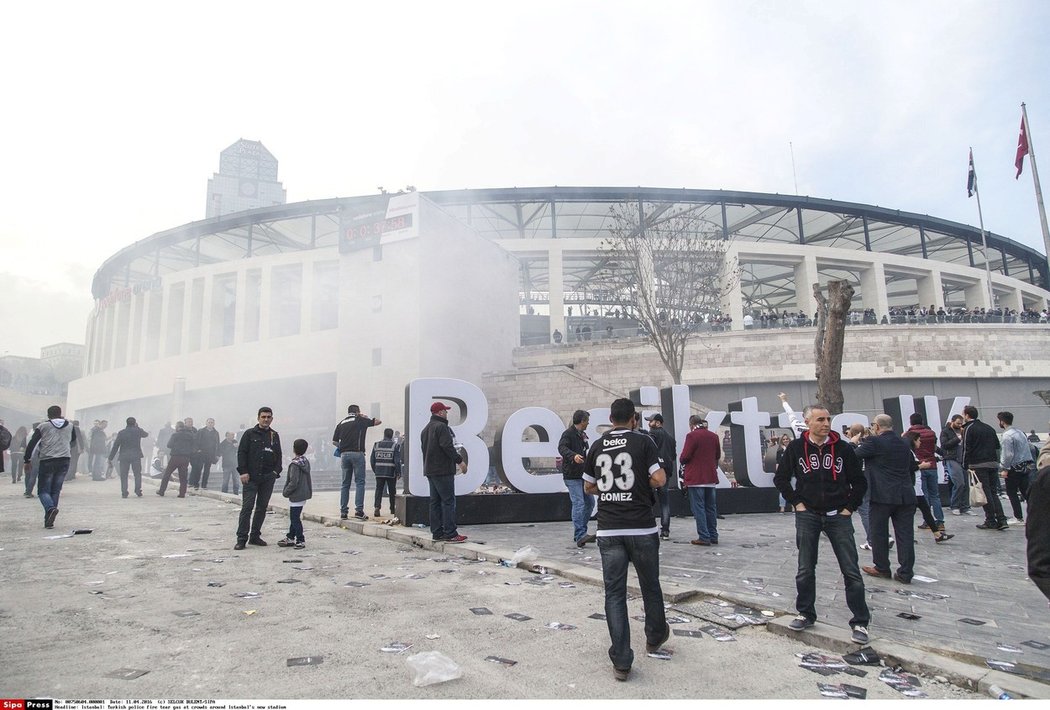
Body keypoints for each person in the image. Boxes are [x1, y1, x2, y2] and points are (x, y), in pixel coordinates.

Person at [582, 398, 669, 682]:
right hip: (641, 528)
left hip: (609, 530)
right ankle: (655, 636)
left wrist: (610, 492)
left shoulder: (596, 445)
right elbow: (659, 478)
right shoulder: (644, 442)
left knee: (615, 595)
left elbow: (588, 486)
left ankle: (621, 660)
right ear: (634, 419)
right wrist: (638, 486)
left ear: (610, 418)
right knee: (650, 585)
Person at [773, 403, 869, 645]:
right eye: (820, 420)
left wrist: (849, 508)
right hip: (808, 514)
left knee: (851, 569)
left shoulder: (844, 449)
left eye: (828, 419)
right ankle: (805, 612)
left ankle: (860, 621)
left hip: (839, 514)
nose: (826, 424)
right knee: (805, 567)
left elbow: (859, 481)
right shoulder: (796, 448)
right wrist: (797, 503)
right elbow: (781, 478)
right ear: (808, 422)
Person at [857, 415, 920, 585]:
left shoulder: (874, 442)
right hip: (905, 494)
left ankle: (882, 567)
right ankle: (906, 572)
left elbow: (854, 455)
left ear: (877, 426)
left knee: (879, 532)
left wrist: (855, 441)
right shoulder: (904, 442)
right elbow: (910, 465)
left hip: (882, 495)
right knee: (905, 535)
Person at [235, 407, 283, 549]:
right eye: (263, 417)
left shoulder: (274, 435)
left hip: (268, 478)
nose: (266, 419)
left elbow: (278, 454)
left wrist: (276, 472)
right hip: (251, 477)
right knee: (247, 507)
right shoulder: (249, 434)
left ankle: (255, 536)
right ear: (258, 418)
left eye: (268, 417)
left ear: (272, 419)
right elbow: (241, 453)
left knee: (261, 508)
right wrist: (243, 471)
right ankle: (241, 538)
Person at [23, 405, 77, 529]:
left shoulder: (43, 426)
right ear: (60, 413)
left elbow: (32, 444)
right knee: (55, 490)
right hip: (64, 460)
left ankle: (50, 508)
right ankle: (49, 520)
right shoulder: (70, 426)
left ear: (48, 415)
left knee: (43, 490)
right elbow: (73, 441)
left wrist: (27, 460)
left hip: (47, 460)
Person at [421, 401, 466, 542]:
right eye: (445, 411)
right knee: (448, 501)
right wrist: (460, 461)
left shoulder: (426, 429)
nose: (447, 413)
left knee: (434, 502)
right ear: (440, 412)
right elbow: (447, 446)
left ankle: (437, 532)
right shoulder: (441, 427)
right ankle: (451, 533)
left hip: (430, 470)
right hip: (443, 470)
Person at [332, 405, 382, 520]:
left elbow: (334, 441)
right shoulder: (360, 420)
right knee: (360, 482)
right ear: (357, 411)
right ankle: (359, 511)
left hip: (344, 455)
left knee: (345, 484)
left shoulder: (341, 423)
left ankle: (343, 512)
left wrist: (343, 446)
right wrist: (364, 416)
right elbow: (378, 422)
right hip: (357, 454)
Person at [962, 405, 1006, 530]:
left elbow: (966, 448)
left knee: (985, 493)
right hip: (992, 463)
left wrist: (964, 465)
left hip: (978, 465)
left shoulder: (968, 429)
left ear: (967, 415)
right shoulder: (989, 428)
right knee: (993, 492)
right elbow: (997, 446)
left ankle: (990, 519)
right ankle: (1002, 519)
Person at [680, 414, 721, 546]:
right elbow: (717, 455)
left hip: (696, 478)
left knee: (699, 508)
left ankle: (704, 536)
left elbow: (685, 456)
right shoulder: (713, 436)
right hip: (710, 477)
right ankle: (713, 535)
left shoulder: (691, 436)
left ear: (691, 424)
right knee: (711, 507)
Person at [558, 409, 593, 547]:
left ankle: (581, 531)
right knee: (579, 503)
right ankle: (580, 535)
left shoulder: (582, 435)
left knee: (590, 503)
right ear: (582, 421)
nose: (588, 424)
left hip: (582, 474)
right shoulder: (568, 434)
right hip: (572, 475)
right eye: (587, 421)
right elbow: (561, 448)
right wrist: (573, 456)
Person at [906, 413, 944, 532]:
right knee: (935, 495)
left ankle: (927, 521)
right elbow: (934, 447)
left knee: (923, 494)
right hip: (932, 464)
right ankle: (940, 521)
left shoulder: (910, 434)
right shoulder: (931, 433)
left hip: (919, 465)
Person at [998, 411, 1034, 525]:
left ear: (1002, 421)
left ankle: (1018, 517)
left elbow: (1007, 454)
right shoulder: (1020, 432)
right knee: (1026, 492)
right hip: (1025, 466)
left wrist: (1004, 468)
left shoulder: (1007, 435)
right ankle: (1035, 516)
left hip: (1013, 468)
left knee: (1012, 492)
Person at [645, 413, 677, 541]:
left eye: (651, 421)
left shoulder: (652, 434)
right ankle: (665, 530)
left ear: (658, 423)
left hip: (654, 471)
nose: (649, 424)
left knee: (648, 501)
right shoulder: (670, 438)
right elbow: (673, 456)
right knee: (664, 502)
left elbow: (648, 451)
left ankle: (648, 527)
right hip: (666, 472)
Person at [279, 439, 312, 550]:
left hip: (296, 494)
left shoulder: (295, 464)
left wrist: (286, 492)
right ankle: (290, 537)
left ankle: (300, 539)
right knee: (295, 517)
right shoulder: (305, 462)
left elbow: (294, 482)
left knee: (294, 518)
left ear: (293, 449)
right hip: (304, 493)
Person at [108, 417, 149, 498]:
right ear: (134, 423)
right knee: (137, 474)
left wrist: (110, 457)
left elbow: (116, 446)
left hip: (124, 456)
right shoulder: (138, 431)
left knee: (124, 475)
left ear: (126, 423)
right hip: (135, 456)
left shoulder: (121, 432)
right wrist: (137, 427)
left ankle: (124, 492)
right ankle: (138, 490)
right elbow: (146, 434)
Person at [940, 415, 970, 515]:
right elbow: (945, 445)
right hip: (952, 458)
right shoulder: (946, 431)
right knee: (959, 483)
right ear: (952, 422)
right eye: (957, 423)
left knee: (966, 483)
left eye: (961, 423)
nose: (960, 425)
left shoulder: (964, 430)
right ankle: (955, 505)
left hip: (963, 459)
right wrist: (958, 438)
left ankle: (965, 506)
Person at [370, 428, 401, 518]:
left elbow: (372, 460)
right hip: (391, 472)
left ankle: (377, 507)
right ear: (391, 436)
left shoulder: (376, 445)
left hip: (379, 472)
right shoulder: (395, 446)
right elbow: (397, 461)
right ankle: (392, 508)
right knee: (392, 491)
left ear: (384, 434)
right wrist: (398, 472)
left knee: (378, 490)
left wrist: (375, 470)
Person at [158, 421, 194, 497]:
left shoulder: (175, 435)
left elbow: (169, 445)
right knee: (183, 477)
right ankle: (182, 493)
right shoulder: (190, 435)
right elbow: (193, 446)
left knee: (167, 474)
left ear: (177, 428)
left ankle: (161, 491)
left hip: (175, 457)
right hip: (185, 458)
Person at [191, 418, 220, 490]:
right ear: (206, 423)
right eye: (209, 422)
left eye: (212, 422)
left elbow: (217, 444)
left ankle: (204, 485)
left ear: (214, 424)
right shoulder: (201, 431)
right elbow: (196, 440)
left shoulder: (216, 433)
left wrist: (217, 454)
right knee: (198, 469)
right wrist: (197, 450)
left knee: (207, 470)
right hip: (201, 453)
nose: (210, 424)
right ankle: (196, 484)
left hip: (210, 454)